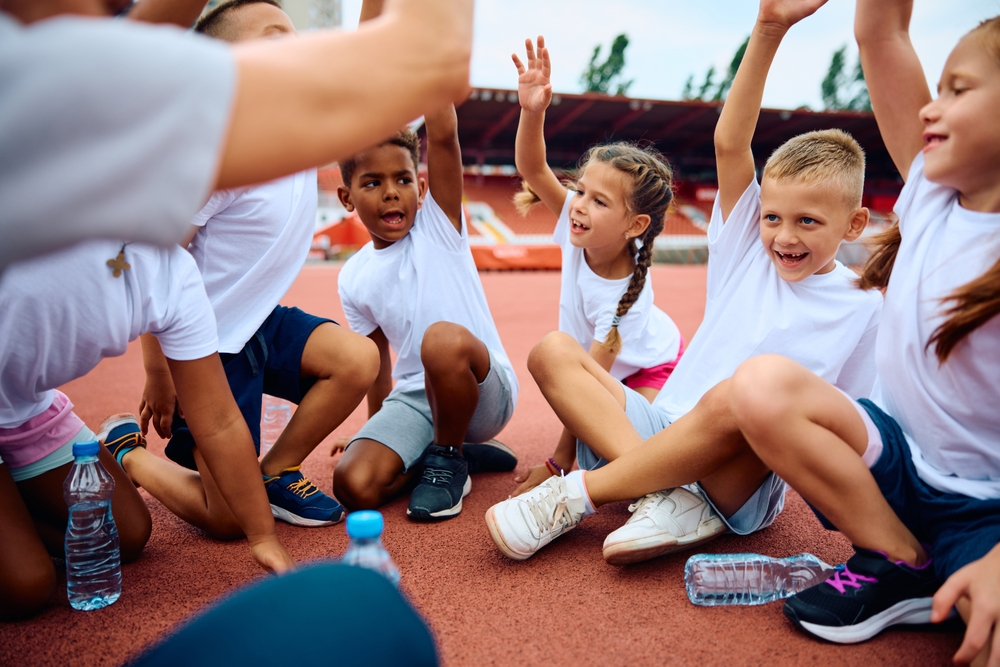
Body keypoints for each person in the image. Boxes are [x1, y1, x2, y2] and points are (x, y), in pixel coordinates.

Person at [485, 0, 883, 565]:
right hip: (660, 427)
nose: (783, 236)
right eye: (771, 217)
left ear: (855, 224)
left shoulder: (864, 307)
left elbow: (853, 423)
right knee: (553, 350)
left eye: (808, 222)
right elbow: (731, 142)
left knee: (745, 392)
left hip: (740, 470)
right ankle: (657, 491)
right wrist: (768, 28)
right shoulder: (746, 250)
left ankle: (609, 494)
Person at [723, 2, 1000, 659]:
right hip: (898, 462)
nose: (931, 106)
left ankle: (952, 567)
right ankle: (898, 558)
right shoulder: (931, 191)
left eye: (958, 91)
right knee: (760, 386)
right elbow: (882, 30)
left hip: (983, 512)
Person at [0, 0, 473, 273]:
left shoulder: (38, 77)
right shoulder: (43, 84)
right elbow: (422, 61)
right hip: (211, 336)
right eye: (274, 41)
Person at [138, 0, 377, 529]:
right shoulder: (219, 156)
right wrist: (158, 369)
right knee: (226, 520)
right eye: (273, 38)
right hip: (204, 345)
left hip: (258, 324)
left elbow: (366, 57)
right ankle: (125, 453)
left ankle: (274, 469)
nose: (293, 45)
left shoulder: (301, 130)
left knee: (358, 359)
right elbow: (156, 259)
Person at [0, 241, 295, 620]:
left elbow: (218, 419)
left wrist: (263, 536)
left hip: (26, 409)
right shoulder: (29, 229)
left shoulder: (170, 270)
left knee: (126, 535)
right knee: (28, 586)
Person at [507, 37, 684, 498]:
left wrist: (560, 459)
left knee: (623, 454)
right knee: (610, 448)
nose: (579, 206)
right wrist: (532, 111)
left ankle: (670, 494)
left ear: (634, 224)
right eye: (581, 191)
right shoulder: (575, 221)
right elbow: (532, 166)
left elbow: (584, 376)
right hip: (609, 372)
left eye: (599, 201)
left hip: (653, 370)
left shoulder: (626, 300)